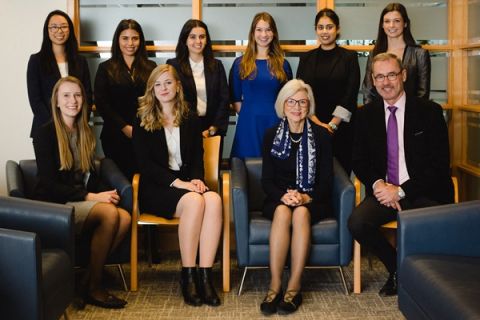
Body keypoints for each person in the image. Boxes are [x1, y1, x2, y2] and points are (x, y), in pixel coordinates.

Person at [348, 53, 454, 297]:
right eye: (380, 77)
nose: (386, 82)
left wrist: (402, 190)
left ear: (403, 75)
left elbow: (439, 165)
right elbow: (359, 161)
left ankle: (426, 275)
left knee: (430, 222)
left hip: (423, 191)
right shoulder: (365, 116)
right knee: (357, 223)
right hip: (385, 191)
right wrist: (378, 185)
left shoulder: (429, 112)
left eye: (392, 75)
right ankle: (397, 268)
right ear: (373, 81)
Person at [33, 76, 131, 309]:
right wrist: (92, 198)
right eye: (66, 95)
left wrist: (104, 192)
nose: (72, 101)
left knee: (125, 217)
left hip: (76, 200)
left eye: (77, 95)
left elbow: (88, 175)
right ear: (56, 101)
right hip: (54, 205)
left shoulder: (84, 131)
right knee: (109, 214)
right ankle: (95, 289)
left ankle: (85, 282)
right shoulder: (44, 133)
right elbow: (48, 184)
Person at [132, 64, 223, 307]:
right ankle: (188, 275)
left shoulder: (190, 117)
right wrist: (180, 183)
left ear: (177, 86)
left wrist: (196, 180)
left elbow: (196, 158)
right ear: (152, 89)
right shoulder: (142, 119)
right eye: (158, 84)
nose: (163, 88)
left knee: (213, 200)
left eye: (168, 83)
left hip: (185, 184)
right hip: (156, 188)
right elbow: (145, 165)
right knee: (194, 201)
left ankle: (206, 276)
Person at [260, 79, 332, 315]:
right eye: (291, 101)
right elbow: (266, 181)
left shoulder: (322, 136)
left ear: (308, 105)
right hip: (279, 198)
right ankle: (275, 283)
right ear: (283, 105)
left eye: (302, 102)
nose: (297, 107)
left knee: (300, 213)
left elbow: (327, 181)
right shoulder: (271, 135)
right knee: (282, 211)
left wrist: (304, 198)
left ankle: (294, 285)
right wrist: (284, 196)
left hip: (312, 199)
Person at [297, 8, 360, 174]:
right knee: (313, 175)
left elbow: (350, 93)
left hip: (341, 129)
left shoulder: (349, 58)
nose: (325, 32)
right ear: (316, 29)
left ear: (337, 29)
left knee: (340, 175)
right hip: (311, 125)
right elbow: (300, 92)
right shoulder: (306, 58)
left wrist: (332, 125)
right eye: (321, 27)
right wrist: (317, 123)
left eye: (329, 27)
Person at [94, 19, 156, 180]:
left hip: (146, 133)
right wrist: (124, 127)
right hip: (114, 135)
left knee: (145, 180)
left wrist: (142, 127)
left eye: (135, 38)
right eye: (125, 38)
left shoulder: (151, 67)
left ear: (141, 41)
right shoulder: (105, 68)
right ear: (118, 40)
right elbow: (102, 103)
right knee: (120, 181)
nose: (130, 43)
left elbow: (156, 100)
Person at [230, 12, 292, 159]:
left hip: (276, 122)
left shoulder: (283, 64)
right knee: (246, 169)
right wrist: (249, 115)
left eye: (268, 29)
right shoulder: (240, 63)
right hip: (248, 123)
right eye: (259, 29)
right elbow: (235, 98)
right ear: (252, 33)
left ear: (274, 33)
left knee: (275, 169)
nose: (264, 34)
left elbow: (289, 98)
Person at [27, 10, 92, 138]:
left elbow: (87, 95)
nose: (59, 31)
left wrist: (78, 123)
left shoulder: (80, 61)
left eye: (63, 26)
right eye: (54, 27)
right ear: (47, 30)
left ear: (70, 30)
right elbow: (36, 100)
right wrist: (57, 126)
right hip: (46, 129)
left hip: (77, 129)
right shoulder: (36, 61)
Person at [167, 19, 229, 138]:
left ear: (207, 40)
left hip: (212, 128)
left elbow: (224, 99)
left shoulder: (216, 66)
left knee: (213, 157)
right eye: (192, 37)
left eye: (202, 37)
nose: (198, 41)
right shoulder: (173, 65)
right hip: (184, 127)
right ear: (185, 40)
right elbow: (172, 99)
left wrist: (214, 127)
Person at [362, 2, 430, 104]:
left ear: (405, 23)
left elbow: (423, 93)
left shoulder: (420, 54)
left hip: (411, 115)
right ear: (382, 25)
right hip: (379, 114)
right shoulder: (374, 53)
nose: (392, 25)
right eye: (387, 21)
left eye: (397, 21)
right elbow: (368, 91)